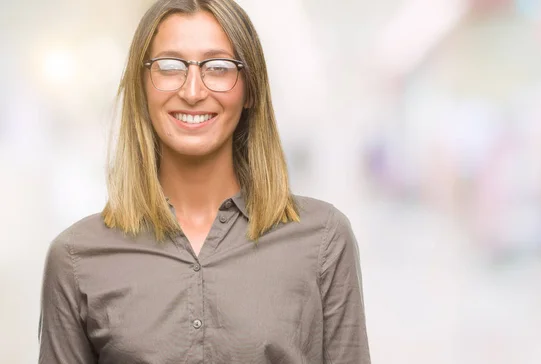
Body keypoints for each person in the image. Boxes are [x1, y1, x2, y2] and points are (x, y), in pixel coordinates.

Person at [38, 0, 371, 363]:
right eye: (169, 66)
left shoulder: (323, 240)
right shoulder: (74, 259)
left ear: (249, 89)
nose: (193, 91)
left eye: (218, 67)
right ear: (142, 88)